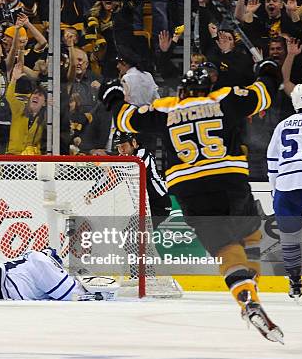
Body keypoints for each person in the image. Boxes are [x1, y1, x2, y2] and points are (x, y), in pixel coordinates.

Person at [110, 64, 284, 343]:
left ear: (183, 91)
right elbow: (264, 94)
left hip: (189, 190)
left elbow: (125, 119)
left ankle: (245, 298)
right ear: (208, 88)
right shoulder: (223, 99)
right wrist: (268, 71)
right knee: (250, 235)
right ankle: (251, 291)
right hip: (228, 181)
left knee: (225, 250)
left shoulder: (167, 108)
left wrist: (114, 96)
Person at [267, 83, 302, 300]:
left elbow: (272, 160)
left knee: (289, 238)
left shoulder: (282, 125)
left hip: (288, 184)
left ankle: (295, 282)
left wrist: (274, 190)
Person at [111, 131, 172, 228]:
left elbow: (132, 168)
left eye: (124, 146)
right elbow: (113, 178)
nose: (121, 150)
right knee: (131, 236)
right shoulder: (122, 160)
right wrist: (93, 192)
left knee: (137, 235)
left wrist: (108, 165)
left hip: (159, 205)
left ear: (134, 143)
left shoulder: (143, 155)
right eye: (118, 147)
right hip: (145, 206)